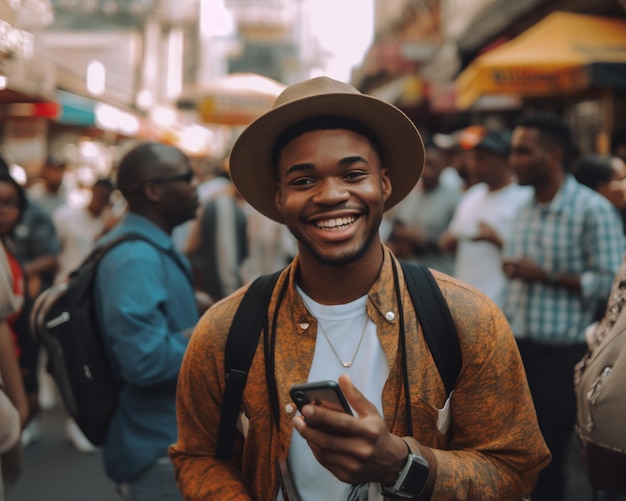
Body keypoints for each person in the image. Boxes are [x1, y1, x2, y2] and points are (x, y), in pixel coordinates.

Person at [170, 76, 551, 500]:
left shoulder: (467, 319)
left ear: (383, 184)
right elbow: (198, 457)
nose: (331, 195)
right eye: (303, 181)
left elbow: (515, 467)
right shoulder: (226, 330)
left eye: (353, 173)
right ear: (278, 198)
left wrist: (402, 464)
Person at [500, 113, 625, 501]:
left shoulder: (592, 209)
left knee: (547, 458)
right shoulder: (524, 207)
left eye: (523, 151)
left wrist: (548, 276)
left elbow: (612, 285)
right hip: (517, 350)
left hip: (564, 354)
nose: (513, 160)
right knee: (515, 452)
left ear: (552, 155)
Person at [92, 142, 204, 500]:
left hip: (168, 439)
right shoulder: (136, 258)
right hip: (158, 448)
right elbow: (145, 360)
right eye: (186, 177)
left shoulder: (151, 248)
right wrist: (212, 333)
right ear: (153, 190)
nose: (196, 185)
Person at [439, 128, 532, 305]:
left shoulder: (524, 198)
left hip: (502, 303)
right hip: (464, 300)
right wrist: (449, 242)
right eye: (472, 158)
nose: (473, 165)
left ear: (506, 161)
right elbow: (452, 238)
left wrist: (496, 240)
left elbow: (533, 262)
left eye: (482, 159)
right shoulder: (472, 195)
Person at [385, 142, 461, 276]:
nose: (426, 170)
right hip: (406, 272)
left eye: (432, 165)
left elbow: (454, 246)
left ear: (443, 165)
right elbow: (396, 227)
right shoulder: (409, 194)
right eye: (424, 164)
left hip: (437, 275)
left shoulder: (454, 199)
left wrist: (421, 241)